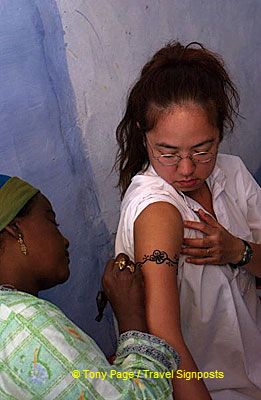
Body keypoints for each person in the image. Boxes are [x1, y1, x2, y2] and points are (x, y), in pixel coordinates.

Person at [115, 41, 261, 400]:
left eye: (202, 149)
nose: (186, 169)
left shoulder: (233, 172)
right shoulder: (155, 207)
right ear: (142, 133)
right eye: (168, 152)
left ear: (220, 131)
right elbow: (165, 337)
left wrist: (238, 251)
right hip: (206, 386)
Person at [0, 174, 180, 399]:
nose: (65, 240)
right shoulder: (23, 320)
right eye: (51, 222)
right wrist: (131, 319)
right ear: (15, 230)